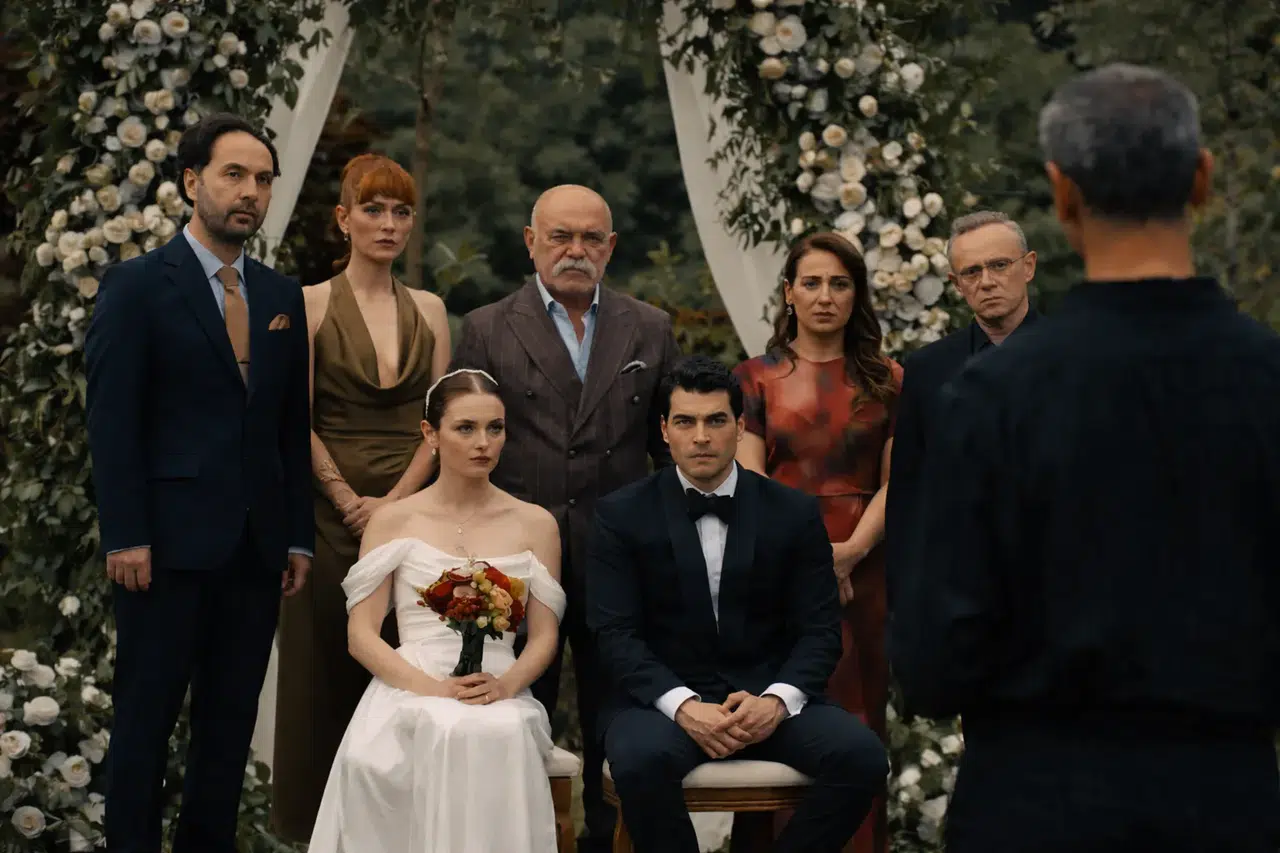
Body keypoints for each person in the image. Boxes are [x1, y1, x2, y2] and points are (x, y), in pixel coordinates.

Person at [892, 63, 1280, 853]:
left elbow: (933, 663)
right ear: (1202, 180)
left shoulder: (992, 395)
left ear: (1062, 194)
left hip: (1033, 802)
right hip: (1224, 801)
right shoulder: (1266, 381)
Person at [85, 113, 313, 853]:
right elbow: (112, 422)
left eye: (263, 180)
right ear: (192, 182)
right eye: (233, 175)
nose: (250, 192)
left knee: (226, 735)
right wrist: (126, 533)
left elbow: (289, 426)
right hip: (161, 552)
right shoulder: (136, 286)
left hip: (255, 552)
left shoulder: (281, 296)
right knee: (143, 729)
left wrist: (297, 536)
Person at [449, 183, 681, 852]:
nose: (575, 250)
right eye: (560, 236)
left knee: (620, 718)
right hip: (515, 562)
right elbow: (464, 449)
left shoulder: (649, 327)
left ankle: (610, 842)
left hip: (622, 558)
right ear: (531, 243)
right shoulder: (488, 328)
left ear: (610, 247)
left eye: (590, 238)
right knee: (516, 715)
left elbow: (668, 447)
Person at [589, 355, 888, 853]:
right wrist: (684, 706)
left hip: (766, 696)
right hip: (661, 704)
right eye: (685, 422)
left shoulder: (793, 512)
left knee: (862, 757)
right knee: (640, 762)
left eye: (716, 421)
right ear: (664, 431)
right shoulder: (621, 515)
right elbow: (614, 634)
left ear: (740, 427)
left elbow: (820, 631)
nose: (701, 437)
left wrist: (776, 701)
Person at [307, 368, 567, 853]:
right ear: (430, 434)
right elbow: (361, 635)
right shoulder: (392, 520)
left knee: (503, 728)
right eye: (465, 428)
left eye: (495, 428)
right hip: (410, 683)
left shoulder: (537, 524)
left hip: (498, 685)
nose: (483, 443)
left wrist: (505, 686)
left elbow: (545, 635)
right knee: (440, 725)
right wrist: (434, 689)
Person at [270, 153, 452, 841]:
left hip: (413, 516)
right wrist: (347, 497)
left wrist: (394, 504)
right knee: (321, 681)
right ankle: (318, 837)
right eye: (373, 209)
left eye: (401, 211)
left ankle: (411, 836)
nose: (388, 223)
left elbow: (439, 424)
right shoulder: (310, 303)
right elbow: (294, 416)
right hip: (326, 516)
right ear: (343, 220)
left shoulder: (431, 310)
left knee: (411, 675)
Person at [733, 232, 901, 853]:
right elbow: (748, 480)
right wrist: (810, 565)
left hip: (866, 566)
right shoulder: (753, 378)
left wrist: (850, 553)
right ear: (789, 292)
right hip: (776, 567)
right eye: (812, 283)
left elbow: (900, 481)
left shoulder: (889, 379)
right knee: (775, 712)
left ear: (856, 295)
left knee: (858, 717)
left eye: (839, 284)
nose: (825, 296)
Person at [884, 211, 1038, 633]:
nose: (986, 281)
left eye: (999, 265)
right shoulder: (928, 370)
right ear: (956, 284)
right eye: (972, 271)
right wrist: (905, 608)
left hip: (1055, 591)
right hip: (960, 601)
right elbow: (909, 496)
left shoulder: (1074, 359)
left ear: (1028, 266)